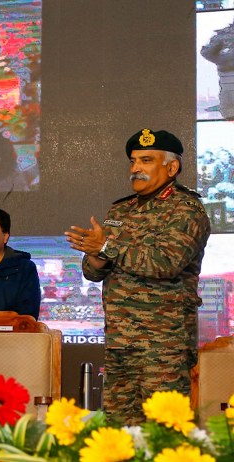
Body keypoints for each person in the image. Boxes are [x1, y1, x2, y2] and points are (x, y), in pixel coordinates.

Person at [65, 129, 211, 425]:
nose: (136, 169)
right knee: (119, 434)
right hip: (120, 343)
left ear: (172, 167)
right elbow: (92, 272)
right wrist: (94, 253)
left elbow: (166, 263)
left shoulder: (187, 210)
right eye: (133, 161)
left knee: (164, 434)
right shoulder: (120, 210)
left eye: (146, 160)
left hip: (163, 347)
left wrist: (106, 247)